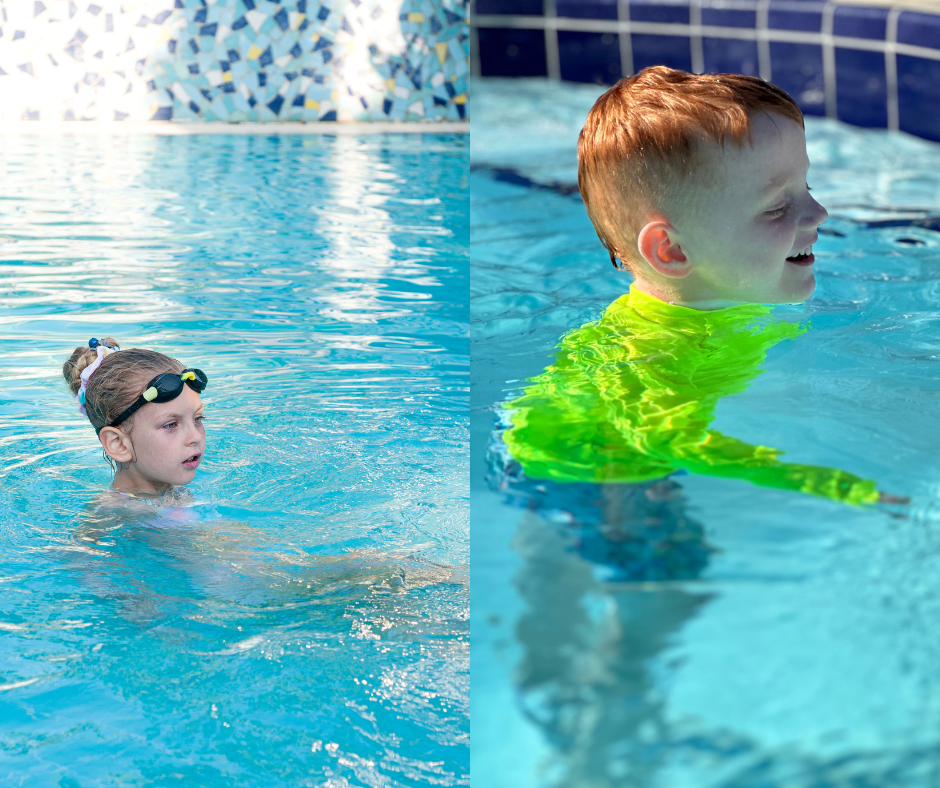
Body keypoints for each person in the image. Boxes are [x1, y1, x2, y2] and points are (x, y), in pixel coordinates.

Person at [500, 66, 903, 506]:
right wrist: (836, 486)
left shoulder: (720, 300)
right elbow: (669, 441)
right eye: (775, 207)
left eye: (805, 186)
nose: (819, 212)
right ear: (671, 250)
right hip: (569, 477)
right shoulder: (657, 351)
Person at [63, 337, 208, 500]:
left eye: (197, 419)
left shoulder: (177, 495)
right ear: (118, 444)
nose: (195, 437)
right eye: (171, 425)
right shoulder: (113, 512)